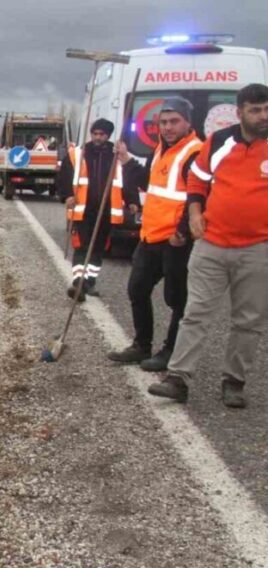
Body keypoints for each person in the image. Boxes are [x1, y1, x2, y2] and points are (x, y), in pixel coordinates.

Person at [148, 83, 268, 407]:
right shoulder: (219, 141)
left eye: (267, 109)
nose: (263, 116)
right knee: (196, 312)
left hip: (258, 248)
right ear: (240, 111)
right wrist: (194, 212)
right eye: (256, 110)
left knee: (248, 320)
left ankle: (234, 381)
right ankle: (178, 378)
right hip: (212, 244)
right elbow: (197, 178)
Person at [107, 97, 202, 372]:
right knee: (137, 288)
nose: (168, 127)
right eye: (163, 122)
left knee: (177, 299)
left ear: (187, 122)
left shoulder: (195, 152)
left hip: (176, 240)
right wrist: (126, 160)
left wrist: (183, 231)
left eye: (174, 121)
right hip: (150, 236)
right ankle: (141, 345)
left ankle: (171, 351)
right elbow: (150, 183)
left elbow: (199, 197)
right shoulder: (160, 149)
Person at [56, 118, 131, 300]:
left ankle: (89, 282)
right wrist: (67, 195)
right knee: (82, 246)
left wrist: (132, 201)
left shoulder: (116, 155)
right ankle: (78, 283)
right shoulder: (78, 154)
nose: (97, 137)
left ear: (108, 135)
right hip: (83, 210)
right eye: (95, 133)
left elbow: (127, 181)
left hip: (106, 211)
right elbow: (64, 176)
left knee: (98, 249)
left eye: (102, 134)